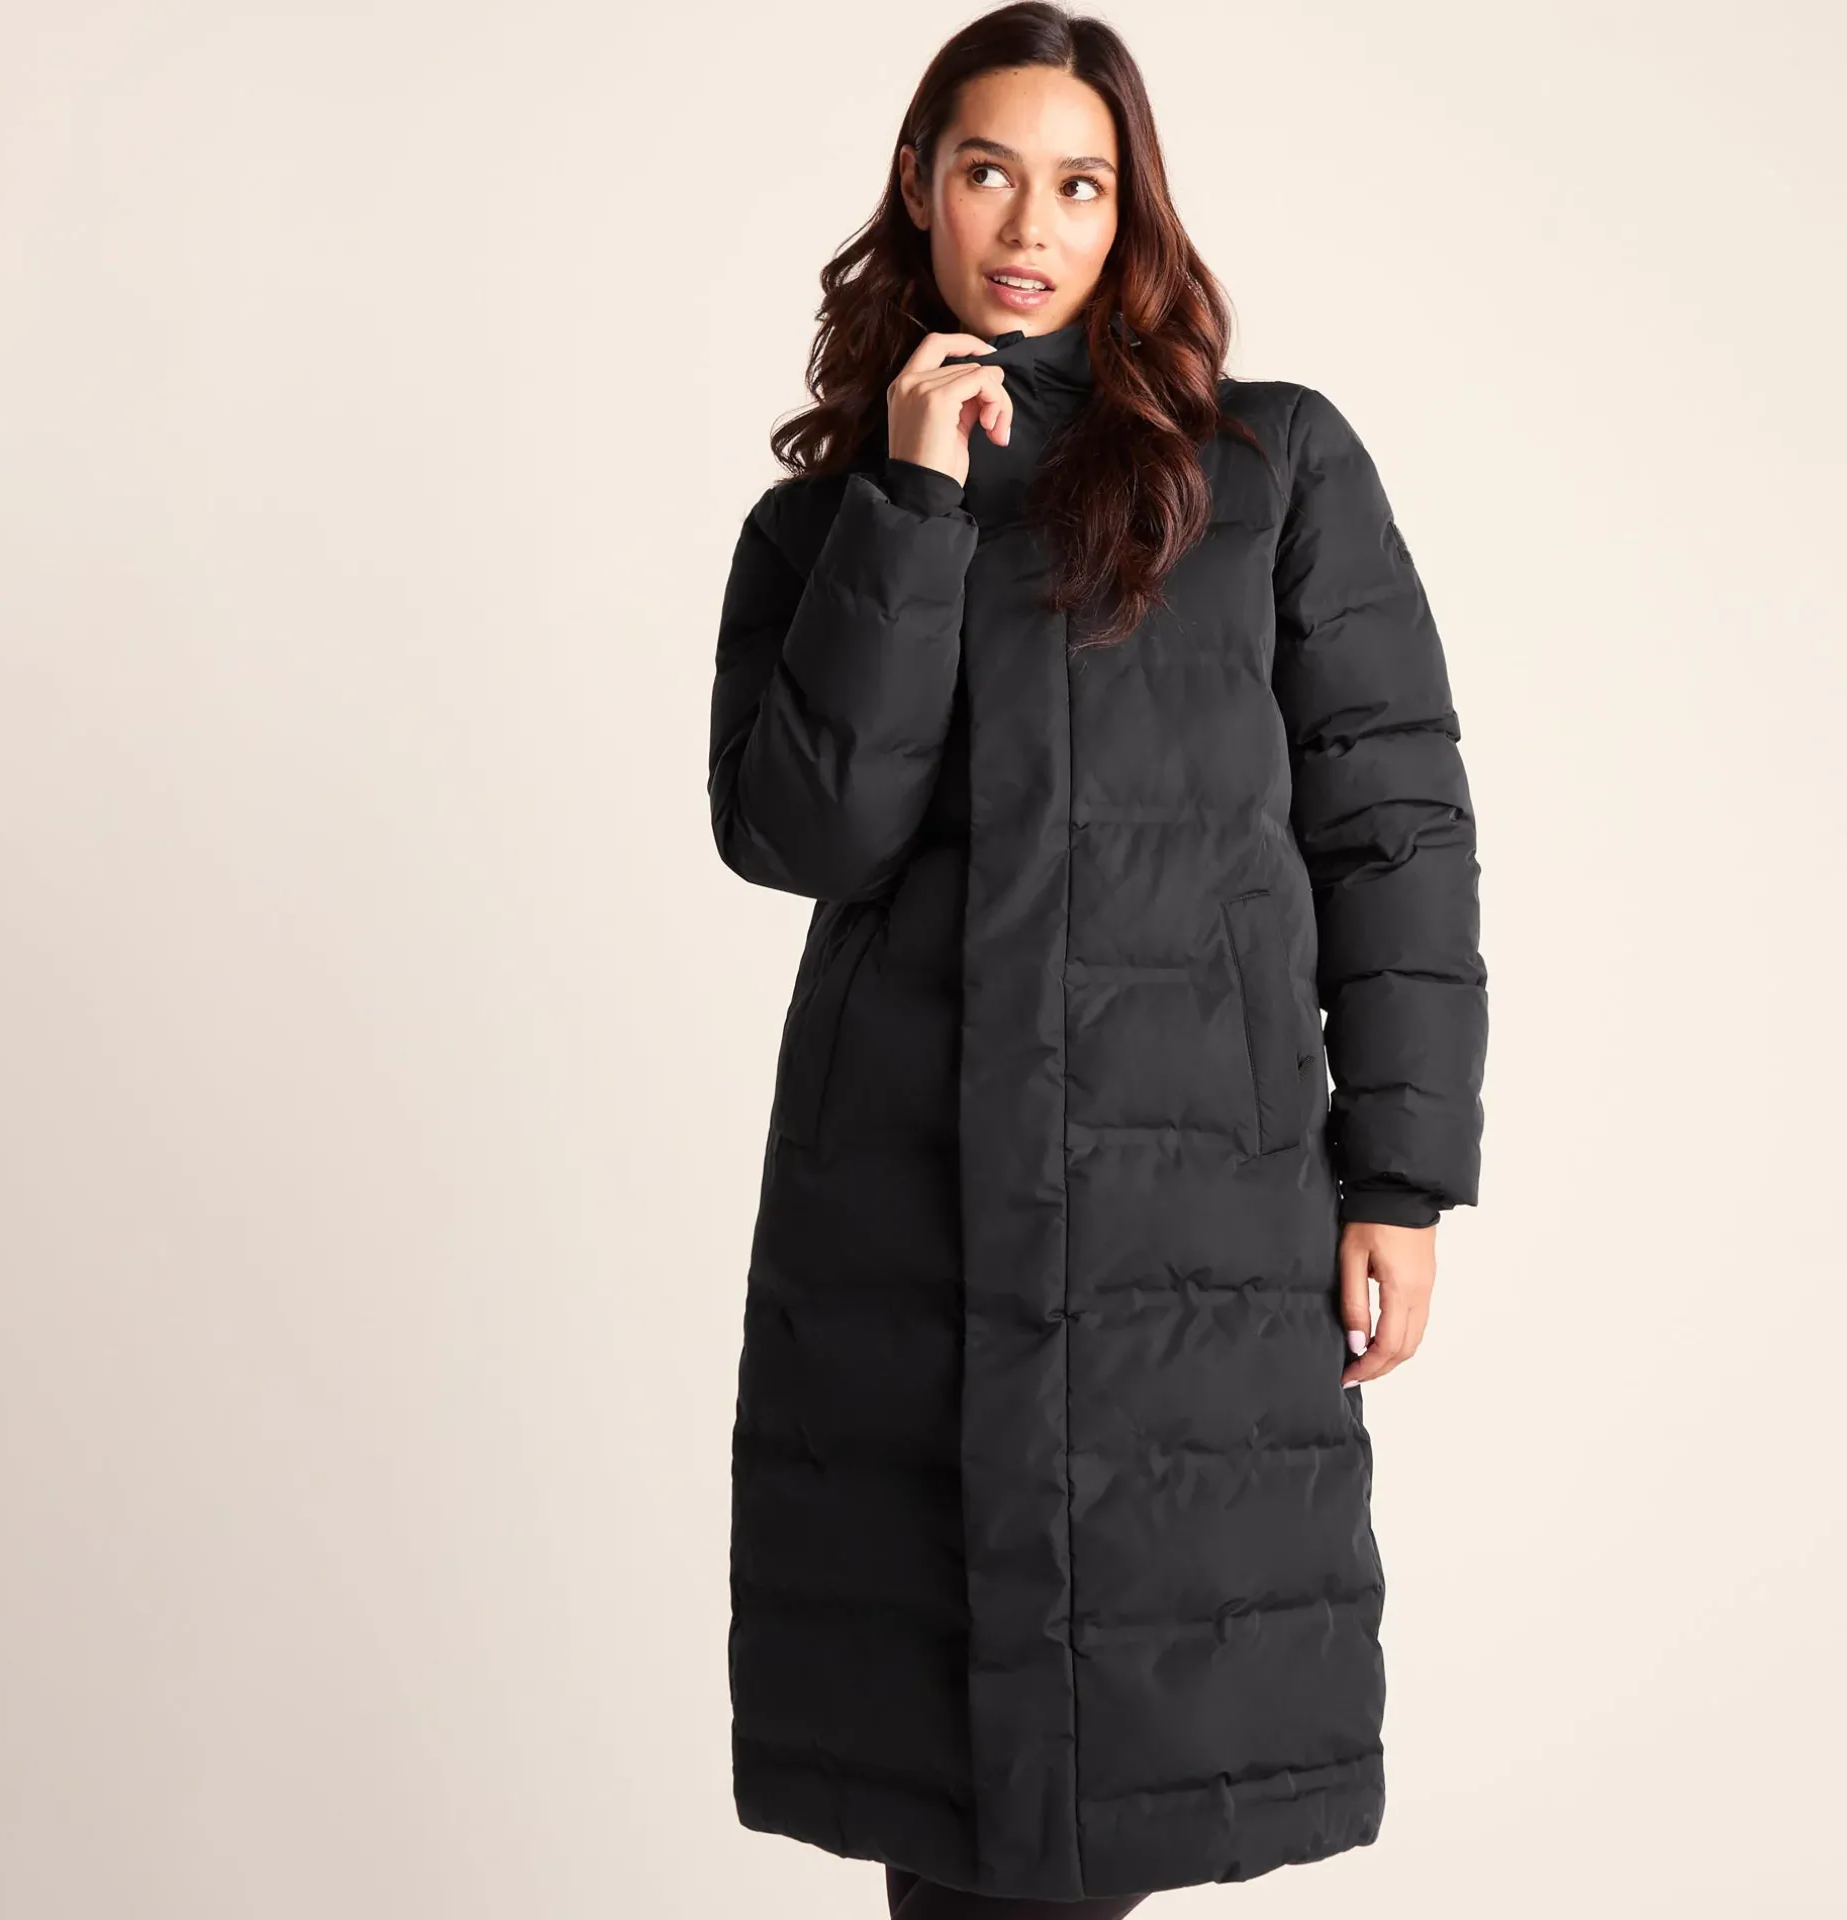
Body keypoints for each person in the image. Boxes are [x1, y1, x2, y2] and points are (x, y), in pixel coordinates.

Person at [705, 4, 1488, 1913]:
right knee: (953, 1807)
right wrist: (910, 502)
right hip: (908, 1224)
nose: (1030, 225)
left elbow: (1390, 827)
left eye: (1079, 184)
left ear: (1130, 210)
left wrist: (1399, 1178)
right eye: (991, 173)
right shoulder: (819, 527)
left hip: (1184, 1232)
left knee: (1119, 1770)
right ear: (921, 185)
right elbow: (805, 834)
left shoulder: (1269, 474)